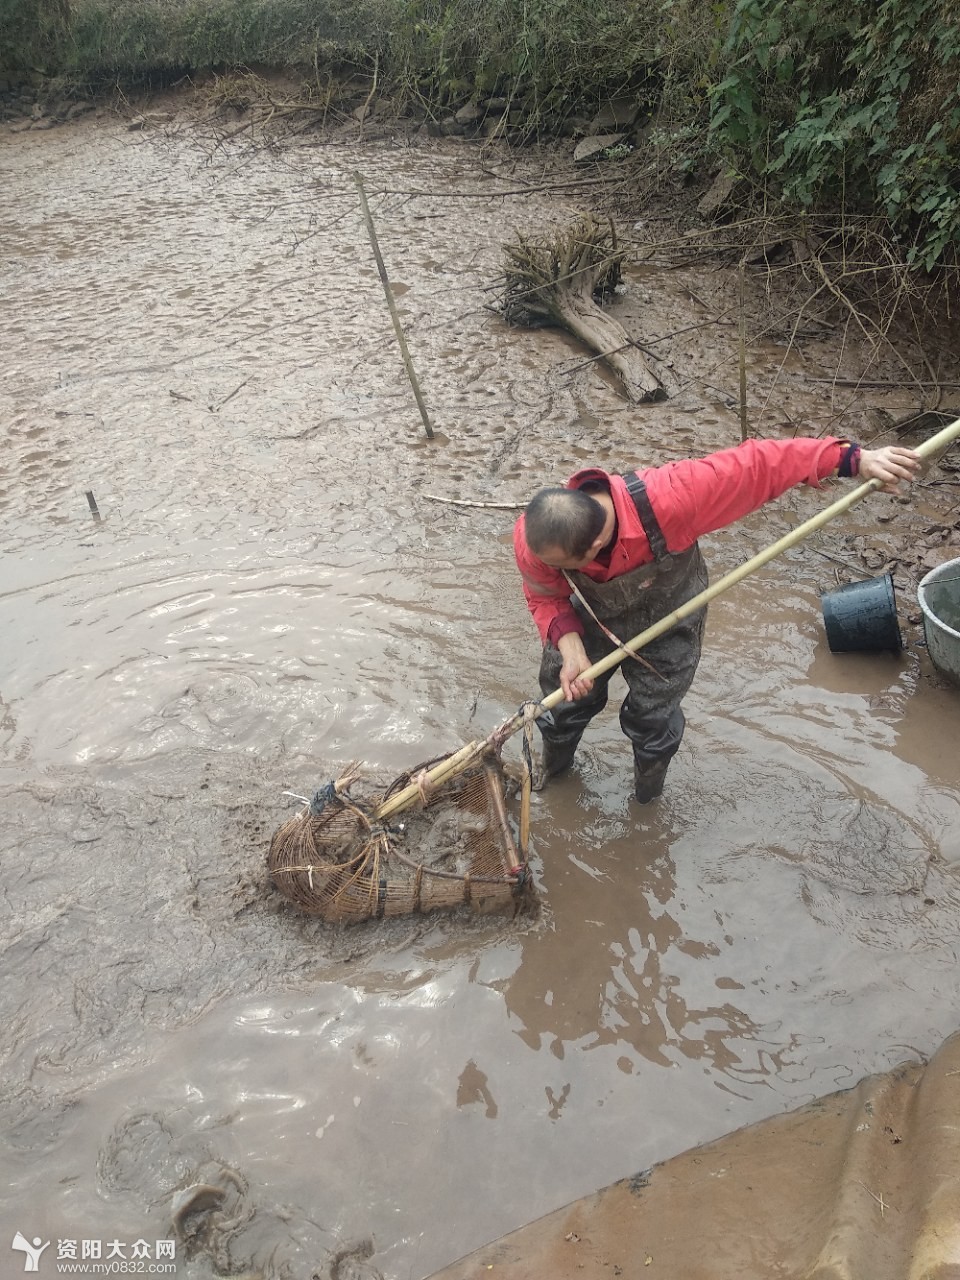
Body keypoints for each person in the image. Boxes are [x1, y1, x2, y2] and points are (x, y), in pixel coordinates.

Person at [513, 435, 921, 802]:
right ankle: (554, 777)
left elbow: (757, 465)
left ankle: (646, 802)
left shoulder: (673, 496)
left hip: (670, 615)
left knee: (653, 719)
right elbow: (544, 594)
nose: (543, 564)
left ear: (597, 543)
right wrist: (569, 649)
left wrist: (854, 459)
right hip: (588, 617)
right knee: (564, 702)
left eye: (564, 564)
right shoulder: (536, 539)